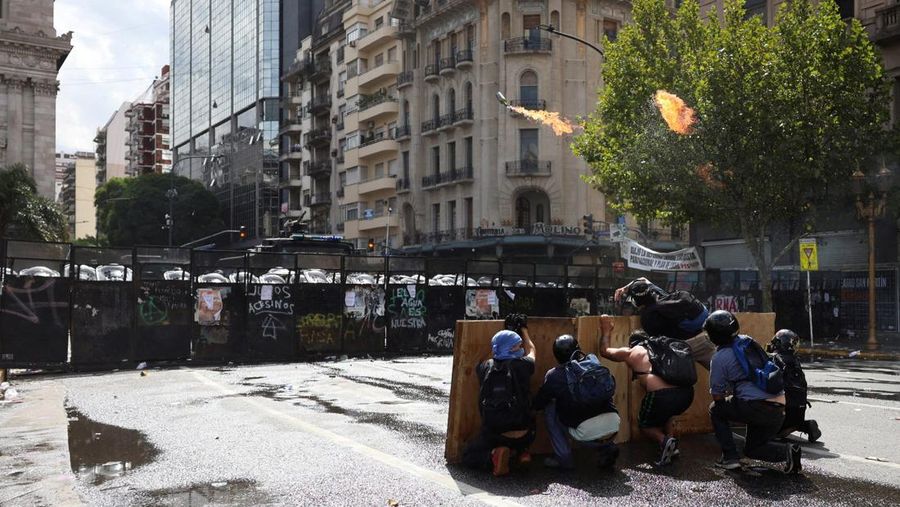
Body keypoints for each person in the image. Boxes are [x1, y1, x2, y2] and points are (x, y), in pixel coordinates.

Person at [705, 310, 802, 473]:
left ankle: (730, 458)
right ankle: (789, 452)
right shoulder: (747, 341)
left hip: (755, 408)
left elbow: (717, 395)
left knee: (715, 409)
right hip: (778, 409)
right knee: (753, 449)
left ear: (715, 336)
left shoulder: (719, 357)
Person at [598, 317, 694, 466]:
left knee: (645, 425)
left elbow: (605, 351)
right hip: (687, 394)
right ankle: (671, 447)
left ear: (633, 343)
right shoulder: (664, 348)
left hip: (662, 396)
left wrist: (606, 330)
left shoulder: (633, 351)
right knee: (667, 415)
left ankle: (665, 441)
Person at [532, 334, 620, 470]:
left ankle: (564, 459)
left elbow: (539, 403)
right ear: (578, 349)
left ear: (556, 355)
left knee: (549, 407)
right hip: (613, 426)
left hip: (586, 434)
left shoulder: (554, 375)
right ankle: (607, 447)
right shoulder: (593, 362)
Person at [462, 320, 536, 476]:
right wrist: (524, 330)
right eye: (517, 346)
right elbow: (532, 350)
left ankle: (493, 456)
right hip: (527, 433)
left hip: (496, 434)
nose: (521, 348)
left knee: (468, 456)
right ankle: (523, 452)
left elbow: (483, 358)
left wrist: (499, 337)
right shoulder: (523, 365)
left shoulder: (485, 368)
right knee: (528, 410)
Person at [615, 277, 714, 368]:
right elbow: (643, 279)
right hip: (706, 336)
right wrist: (625, 288)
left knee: (665, 378)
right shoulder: (658, 292)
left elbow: (659, 342)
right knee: (723, 372)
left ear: (635, 302)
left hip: (686, 347)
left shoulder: (648, 318)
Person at [767, 329, 821, 443]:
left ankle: (778, 429)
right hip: (799, 412)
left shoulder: (772, 359)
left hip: (780, 414)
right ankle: (803, 425)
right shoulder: (796, 362)